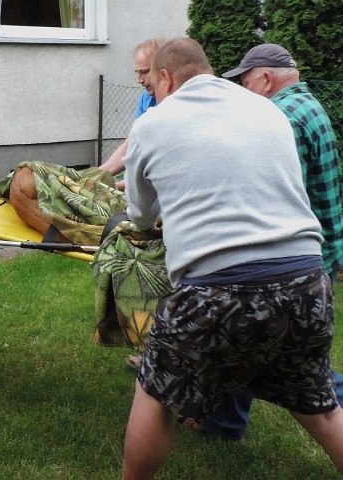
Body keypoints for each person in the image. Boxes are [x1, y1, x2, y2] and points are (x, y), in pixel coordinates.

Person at [121, 37, 343, 480]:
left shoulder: (154, 122)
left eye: (153, 84)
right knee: (321, 410)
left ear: (166, 77)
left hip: (217, 290)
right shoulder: (269, 110)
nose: (152, 93)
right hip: (306, 282)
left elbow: (142, 215)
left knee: (155, 395)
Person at [193, 43, 343, 442]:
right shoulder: (308, 106)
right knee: (246, 345)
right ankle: (223, 426)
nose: (242, 90)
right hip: (318, 247)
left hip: (291, 255)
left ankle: (223, 425)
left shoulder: (279, 116)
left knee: (304, 371)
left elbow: (267, 191)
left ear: (264, 78)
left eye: (244, 81)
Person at [98, 37, 167, 190]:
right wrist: (96, 176)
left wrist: (116, 187)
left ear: (164, 71)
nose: (139, 80)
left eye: (145, 72)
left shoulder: (178, 106)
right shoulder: (146, 97)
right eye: (137, 72)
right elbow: (131, 146)